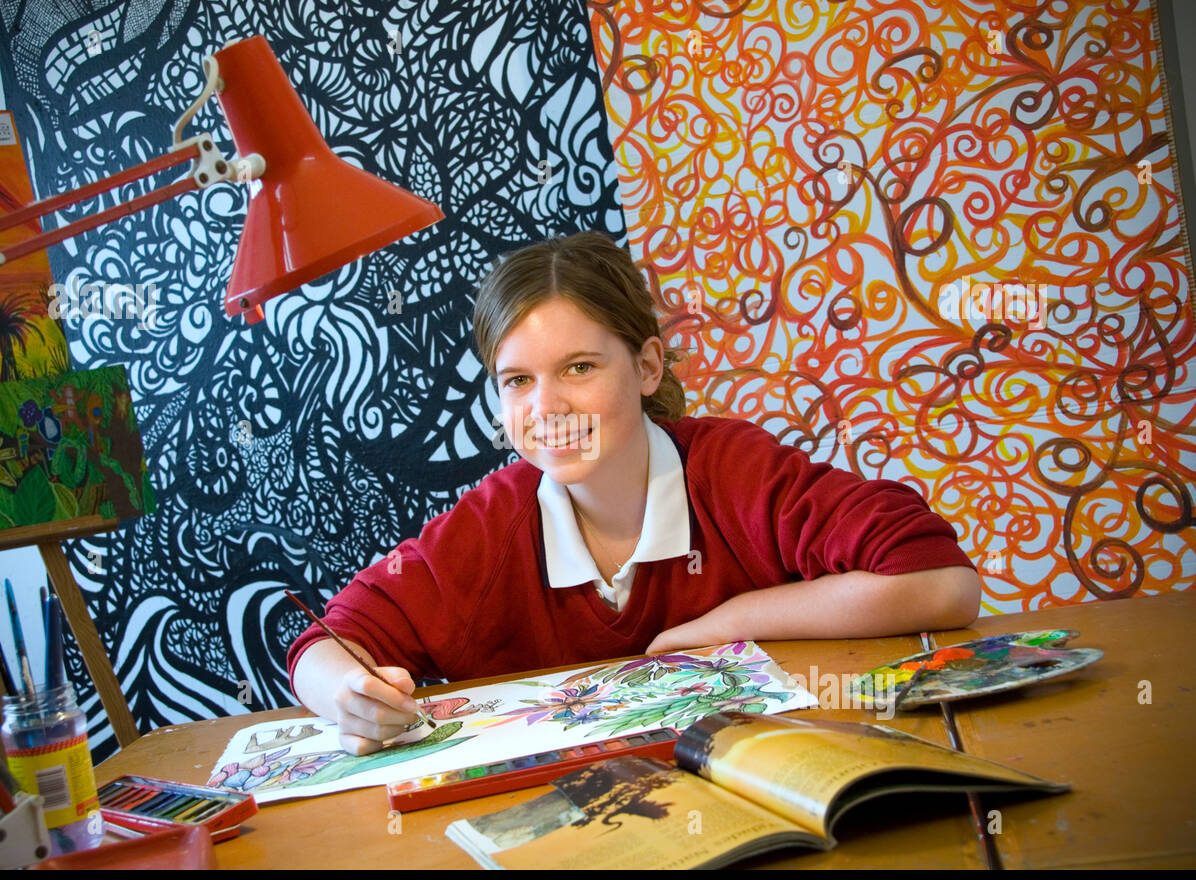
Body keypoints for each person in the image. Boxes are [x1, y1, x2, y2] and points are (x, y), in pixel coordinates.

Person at [288, 231, 979, 755]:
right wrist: (346, 695)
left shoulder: (735, 472)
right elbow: (330, 644)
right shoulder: (491, 524)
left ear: (647, 365)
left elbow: (941, 582)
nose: (547, 405)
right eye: (517, 381)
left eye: (580, 366)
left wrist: (726, 624)